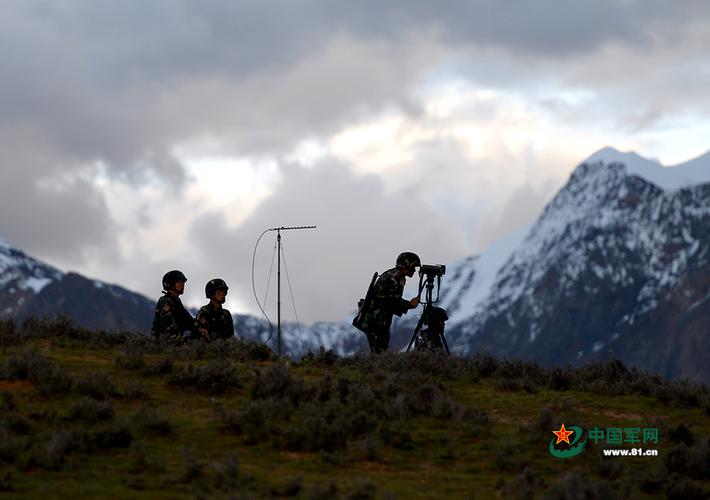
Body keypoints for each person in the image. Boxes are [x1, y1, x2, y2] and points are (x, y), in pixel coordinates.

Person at [364, 252, 421, 353]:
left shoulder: (395, 275)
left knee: (380, 350)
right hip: (377, 320)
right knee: (379, 351)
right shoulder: (394, 278)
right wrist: (409, 305)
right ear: (405, 265)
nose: (414, 270)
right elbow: (390, 301)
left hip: (378, 319)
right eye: (413, 267)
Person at [151, 270, 197, 342]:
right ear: (171, 284)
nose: (183, 285)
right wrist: (182, 343)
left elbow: (188, 321)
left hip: (174, 342)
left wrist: (200, 328)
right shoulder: (165, 301)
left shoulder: (176, 302)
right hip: (164, 344)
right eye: (179, 282)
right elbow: (169, 329)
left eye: (183, 283)